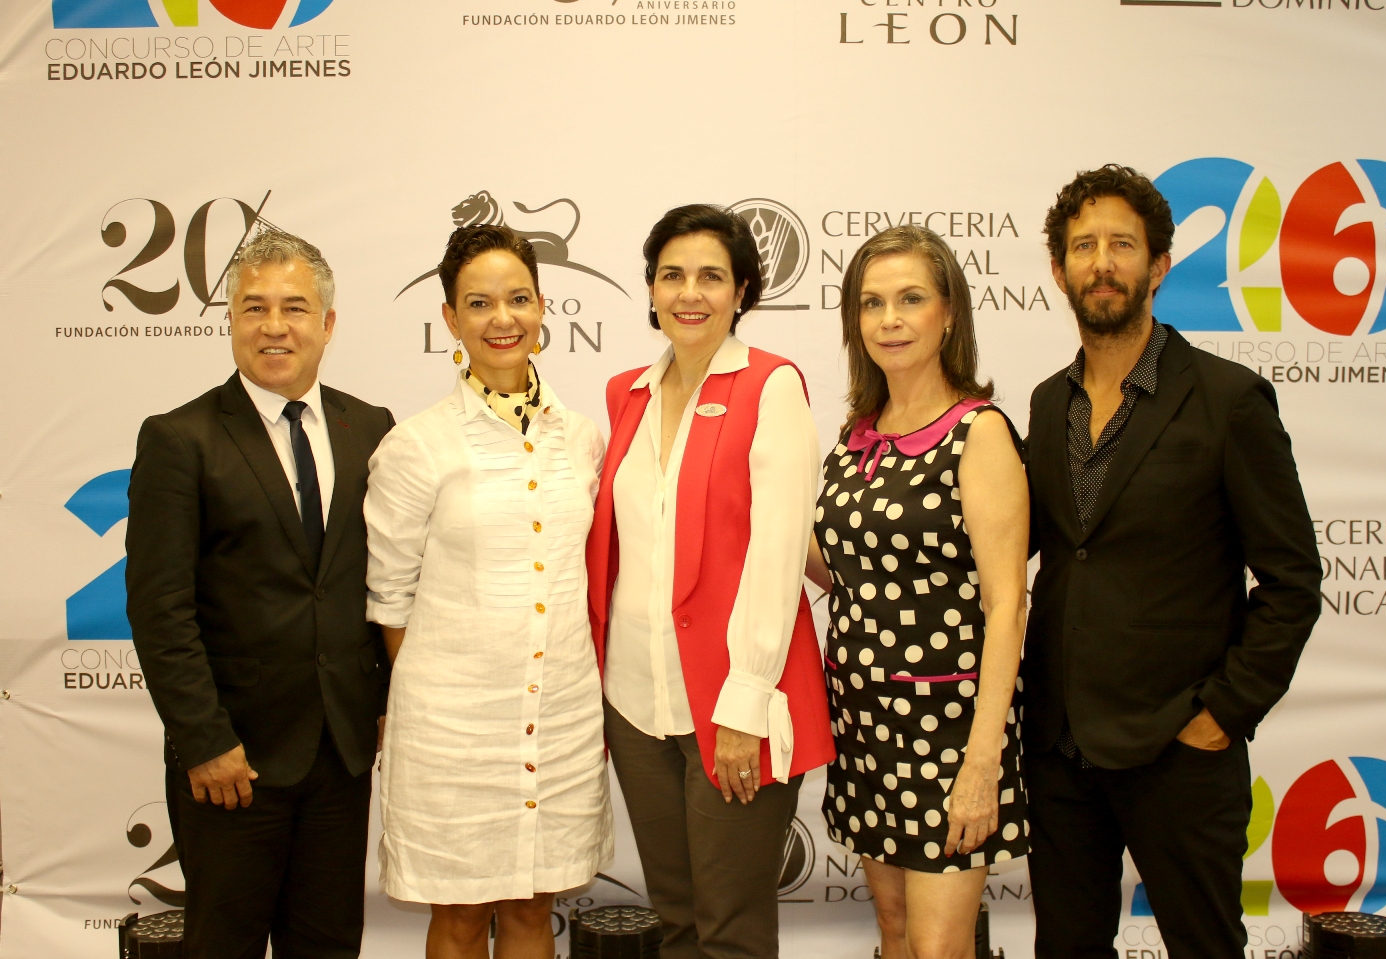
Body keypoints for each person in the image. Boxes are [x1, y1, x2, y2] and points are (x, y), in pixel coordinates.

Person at [1023, 165, 1323, 959]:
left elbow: (1292, 581)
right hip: (1059, 748)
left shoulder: (1228, 400)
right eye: (1082, 246)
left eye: (1121, 244)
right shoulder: (1047, 402)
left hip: (1177, 749)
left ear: (1158, 264)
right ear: (1058, 271)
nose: (1101, 263)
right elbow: (1027, 543)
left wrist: (1222, 712)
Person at [126, 230, 394, 958]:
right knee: (225, 944)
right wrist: (205, 741)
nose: (275, 326)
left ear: (328, 324)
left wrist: (380, 704)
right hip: (232, 763)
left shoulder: (370, 428)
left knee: (329, 943)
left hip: (340, 755)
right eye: (254, 308)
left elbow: (385, 583)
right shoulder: (180, 439)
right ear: (231, 321)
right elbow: (159, 607)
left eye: (295, 308)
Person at [585, 204, 834, 959]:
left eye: (710, 276)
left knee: (730, 931)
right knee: (679, 921)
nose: (689, 292)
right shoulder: (623, 391)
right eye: (672, 275)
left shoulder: (771, 385)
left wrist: (747, 701)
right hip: (634, 701)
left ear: (742, 290)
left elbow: (777, 547)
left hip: (734, 704)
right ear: (652, 289)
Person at [364, 225, 613, 959]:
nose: (501, 318)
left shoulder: (582, 437)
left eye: (517, 299)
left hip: (562, 713)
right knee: (463, 916)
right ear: (449, 319)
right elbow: (390, 598)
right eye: (478, 302)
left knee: (535, 909)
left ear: (542, 308)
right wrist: (443, 694)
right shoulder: (416, 445)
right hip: (453, 731)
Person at [805, 226, 1029, 959]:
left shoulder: (978, 432)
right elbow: (842, 570)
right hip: (865, 723)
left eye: (909, 299)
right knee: (895, 933)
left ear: (948, 314)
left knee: (938, 947)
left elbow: (1007, 604)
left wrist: (981, 761)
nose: (889, 319)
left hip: (947, 731)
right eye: (871, 303)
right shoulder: (856, 436)